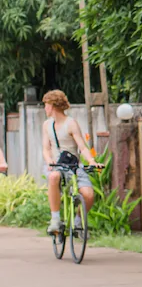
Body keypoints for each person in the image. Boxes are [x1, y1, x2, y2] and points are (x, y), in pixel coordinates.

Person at [41, 90, 99, 234]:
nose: (45, 108)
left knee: (88, 195)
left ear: (53, 106)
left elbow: (82, 147)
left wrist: (92, 161)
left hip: (73, 166)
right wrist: (49, 161)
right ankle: (55, 219)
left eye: (46, 105)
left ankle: (78, 221)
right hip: (56, 166)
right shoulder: (47, 125)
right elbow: (46, 149)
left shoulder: (71, 124)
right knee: (54, 177)